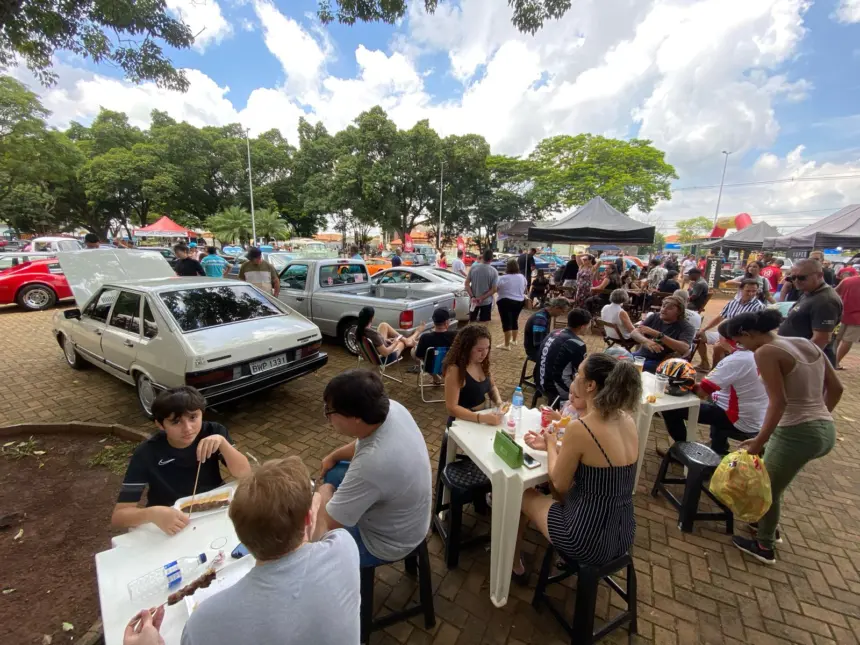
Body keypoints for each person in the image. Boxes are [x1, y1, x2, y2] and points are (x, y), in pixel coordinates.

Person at [181, 457, 360, 645]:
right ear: (308, 519)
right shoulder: (344, 547)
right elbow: (320, 531)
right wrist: (317, 501)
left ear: (241, 535)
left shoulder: (202, 624)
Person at [723, 310, 842, 564]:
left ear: (747, 334)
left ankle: (764, 546)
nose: (738, 346)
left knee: (768, 488)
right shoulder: (804, 342)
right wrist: (816, 418)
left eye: (738, 341)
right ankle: (766, 525)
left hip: (796, 433)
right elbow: (836, 388)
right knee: (775, 481)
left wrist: (758, 441)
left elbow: (778, 402)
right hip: (824, 429)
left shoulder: (765, 352)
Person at [512, 353, 640, 580]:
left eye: (578, 374)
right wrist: (552, 447)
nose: (574, 379)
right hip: (623, 534)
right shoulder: (627, 420)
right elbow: (594, 463)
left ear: (590, 385)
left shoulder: (582, 427)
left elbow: (559, 484)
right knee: (565, 492)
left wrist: (551, 443)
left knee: (520, 494)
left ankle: (511, 560)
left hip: (586, 539)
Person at [314, 370, 433, 566]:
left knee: (316, 544)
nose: (328, 418)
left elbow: (327, 524)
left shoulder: (372, 464)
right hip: (410, 518)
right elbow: (366, 444)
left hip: (387, 543)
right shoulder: (391, 410)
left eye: (330, 412)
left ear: (356, 418)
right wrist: (333, 456)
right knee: (335, 471)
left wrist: (322, 494)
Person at [112, 387, 251, 535]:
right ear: (160, 425)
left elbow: (245, 474)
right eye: (176, 422)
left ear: (201, 413)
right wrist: (152, 514)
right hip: (169, 519)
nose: (188, 428)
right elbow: (119, 517)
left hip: (215, 509)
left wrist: (223, 444)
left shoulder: (214, 432)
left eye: (193, 417)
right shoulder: (146, 453)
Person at [662, 319, 768, 455]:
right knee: (716, 397)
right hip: (756, 415)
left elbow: (702, 392)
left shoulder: (736, 360)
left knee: (671, 409)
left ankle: (684, 450)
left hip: (738, 417)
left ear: (725, 339)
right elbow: (713, 384)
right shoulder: (759, 352)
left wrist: (681, 382)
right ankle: (718, 447)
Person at [778, 259, 842, 365]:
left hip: (808, 362)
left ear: (819, 275)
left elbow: (821, 339)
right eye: (792, 278)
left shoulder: (825, 300)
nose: (796, 281)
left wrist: (799, 361)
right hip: (795, 354)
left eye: (802, 277)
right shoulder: (809, 291)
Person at [695, 279, 766, 371]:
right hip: (726, 334)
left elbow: (756, 329)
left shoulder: (758, 306)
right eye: (748, 291)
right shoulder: (733, 303)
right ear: (741, 290)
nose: (751, 294)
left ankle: (714, 371)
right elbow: (720, 318)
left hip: (741, 338)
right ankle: (704, 363)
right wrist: (704, 329)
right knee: (699, 336)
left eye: (754, 291)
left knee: (718, 347)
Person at [443, 324, 505, 426]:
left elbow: (492, 386)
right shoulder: (455, 369)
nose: (484, 354)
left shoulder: (482, 363)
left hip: (483, 416)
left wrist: (499, 402)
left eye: (487, 348)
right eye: (479, 350)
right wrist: (481, 418)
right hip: (463, 422)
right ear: (466, 348)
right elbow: (451, 408)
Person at [535, 308, 591, 406]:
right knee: (588, 393)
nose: (589, 327)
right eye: (589, 324)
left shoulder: (554, 332)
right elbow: (581, 372)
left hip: (539, 380)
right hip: (554, 387)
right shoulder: (577, 344)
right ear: (582, 327)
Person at [630, 296, 696, 373]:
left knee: (629, 367)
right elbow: (634, 333)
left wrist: (658, 334)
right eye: (663, 306)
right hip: (640, 356)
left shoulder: (686, 327)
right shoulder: (654, 316)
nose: (664, 310)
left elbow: (684, 348)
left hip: (662, 363)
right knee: (618, 357)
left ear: (679, 312)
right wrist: (646, 342)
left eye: (669, 308)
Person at [355, 305, 424, 362]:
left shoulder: (358, 330)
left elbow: (374, 342)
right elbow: (386, 353)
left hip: (370, 354)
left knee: (383, 325)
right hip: (384, 358)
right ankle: (417, 333)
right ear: (372, 318)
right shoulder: (373, 334)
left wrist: (384, 340)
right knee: (401, 342)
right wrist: (395, 343)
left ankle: (408, 340)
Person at [415, 307, 458, 382]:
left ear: (433, 322)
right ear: (446, 323)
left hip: (431, 367)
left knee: (413, 351)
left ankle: (435, 377)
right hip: (450, 367)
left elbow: (419, 355)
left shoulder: (425, 337)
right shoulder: (455, 336)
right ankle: (449, 379)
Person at [496, 257, 528, 350]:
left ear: (507, 267)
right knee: (514, 320)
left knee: (506, 322)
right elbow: (525, 287)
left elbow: (497, 289)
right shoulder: (522, 277)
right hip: (519, 301)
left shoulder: (502, 278)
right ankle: (514, 340)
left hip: (505, 301)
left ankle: (506, 345)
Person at [465, 249, 498, 323]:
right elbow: (494, 289)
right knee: (484, 325)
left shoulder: (473, 268)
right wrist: (482, 298)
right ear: (491, 259)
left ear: (482, 257)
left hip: (473, 301)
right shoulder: (494, 271)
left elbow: (466, 284)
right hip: (486, 302)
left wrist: (472, 297)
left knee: (472, 323)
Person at [835, 273, 860, 368]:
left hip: (842, 313)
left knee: (836, 338)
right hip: (857, 317)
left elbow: (835, 292)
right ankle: (836, 362)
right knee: (848, 340)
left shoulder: (847, 280)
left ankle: (829, 360)